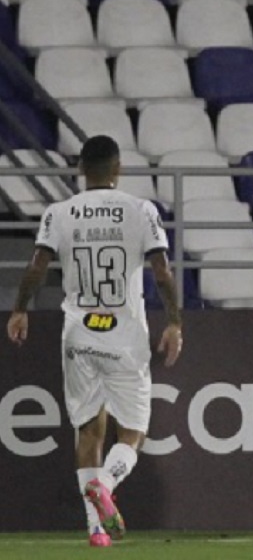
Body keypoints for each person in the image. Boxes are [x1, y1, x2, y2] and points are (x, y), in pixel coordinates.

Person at [6, 135, 183, 547]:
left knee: (88, 429)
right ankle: (106, 483)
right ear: (118, 169)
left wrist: (19, 309)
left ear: (82, 170)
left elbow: (37, 265)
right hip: (125, 333)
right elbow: (161, 271)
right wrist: (174, 321)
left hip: (79, 332)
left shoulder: (59, 212)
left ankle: (96, 530)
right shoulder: (141, 210)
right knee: (133, 432)